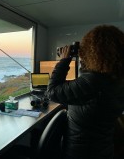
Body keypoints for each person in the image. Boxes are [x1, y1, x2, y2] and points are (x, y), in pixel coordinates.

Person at [47, 25, 124, 159]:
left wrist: (64, 61)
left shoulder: (94, 81)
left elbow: (52, 92)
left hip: (81, 153)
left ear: (93, 52)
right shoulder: (117, 80)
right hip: (103, 149)